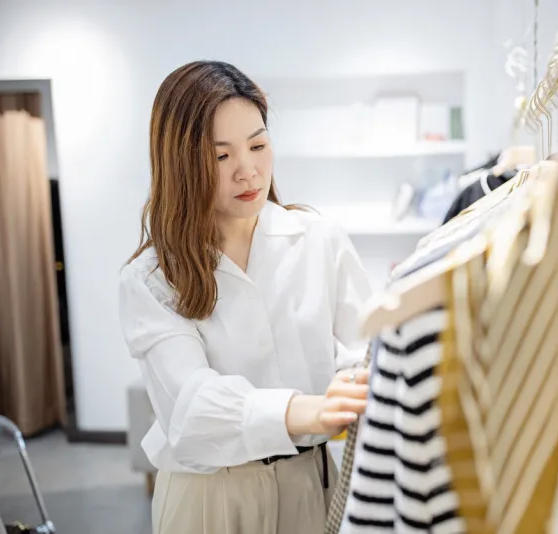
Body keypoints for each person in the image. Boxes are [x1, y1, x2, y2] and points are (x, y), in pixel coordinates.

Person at [118, 60, 373, 534]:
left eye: (258, 145)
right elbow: (192, 409)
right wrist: (308, 409)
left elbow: (362, 349)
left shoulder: (320, 239)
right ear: (180, 163)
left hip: (310, 484)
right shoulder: (151, 278)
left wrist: (350, 380)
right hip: (209, 500)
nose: (248, 170)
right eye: (221, 157)